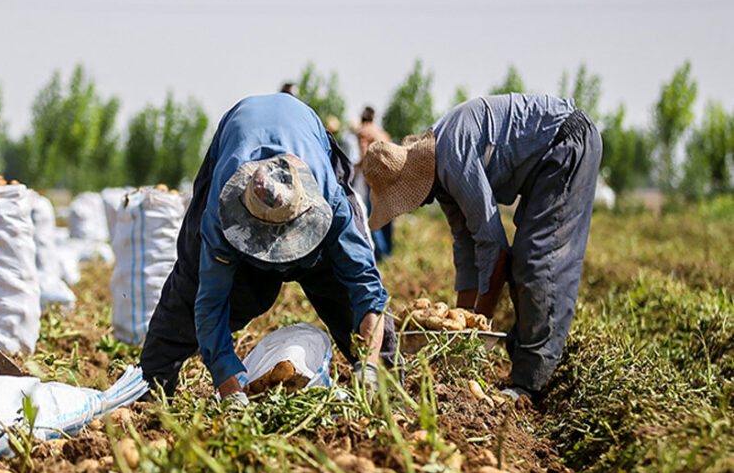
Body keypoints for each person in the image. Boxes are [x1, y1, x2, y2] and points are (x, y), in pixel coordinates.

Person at [140, 93, 396, 403]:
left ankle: (385, 397)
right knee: (188, 290)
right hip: (237, 133)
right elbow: (209, 305)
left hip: (304, 132)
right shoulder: (221, 213)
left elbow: (366, 288)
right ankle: (150, 390)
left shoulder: (332, 202)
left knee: (347, 301)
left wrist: (369, 363)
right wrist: (229, 388)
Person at [361, 93, 601, 400]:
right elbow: (466, 248)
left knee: (537, 260)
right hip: (544, 160)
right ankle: (523, 361)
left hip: (566, 141)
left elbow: (493, 245)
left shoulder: (450, 155)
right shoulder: (439, 177)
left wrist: (473, 335)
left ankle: (531, 383)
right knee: (524, 261)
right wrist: (458, 320)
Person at [354, 106, 393, 259]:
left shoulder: (363, 132)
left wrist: (355, 168)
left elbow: (366, 155)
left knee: (372, 218)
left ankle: (380, 255)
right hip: (389, 178)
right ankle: (389, 252)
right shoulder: (383, 134)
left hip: (375, 179)